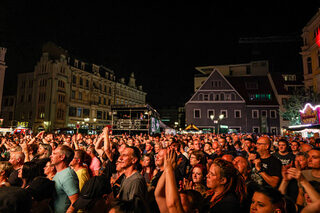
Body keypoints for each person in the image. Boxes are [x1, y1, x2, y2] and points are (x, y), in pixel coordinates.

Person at [117, 146, 148, 212]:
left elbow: (134, 209)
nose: (120, 158)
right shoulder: (126, 177)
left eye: (124, 155)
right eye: (120, 155)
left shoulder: (136, 181)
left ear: (134, 160)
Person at [51, 145, 79, 213]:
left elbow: (75, 202)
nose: (51, 156)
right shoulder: (60, 172)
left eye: (54, 154)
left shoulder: (68, 175)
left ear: (62, 157)